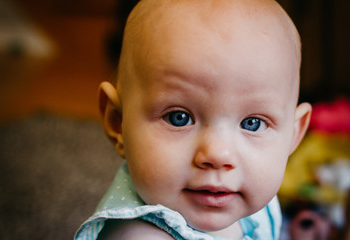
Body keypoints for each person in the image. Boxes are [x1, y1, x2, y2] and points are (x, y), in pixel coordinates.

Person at [75, 0, 312, 239]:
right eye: (179, 118)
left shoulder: (252, 197)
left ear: (293, 134)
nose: (218, 155)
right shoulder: (139, 236)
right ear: (118, 121)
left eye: (253, 123)